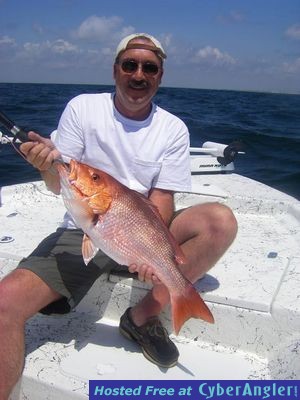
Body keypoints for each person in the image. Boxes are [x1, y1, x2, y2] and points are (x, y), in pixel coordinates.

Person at [0, 33, 237, 399]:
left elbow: (161, 200)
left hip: (140, 226)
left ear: (160, 76)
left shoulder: (173, 129)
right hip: (84, 227)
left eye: (149, 67)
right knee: (4, 305)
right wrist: (46, 166)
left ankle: (142, 317)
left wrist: (148, 253)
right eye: (130, 65)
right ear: (115, 70)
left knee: (220, 221)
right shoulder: (82, 109)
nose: (138, 74)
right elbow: (59, 181)